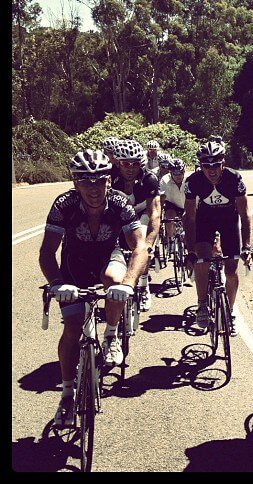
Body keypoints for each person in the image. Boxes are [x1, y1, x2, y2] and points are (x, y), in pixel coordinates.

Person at [39, 150, 148, 427]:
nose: (94, 188)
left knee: (114, 280)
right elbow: (47, 253)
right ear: (75, 183)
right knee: (72, 327)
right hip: (73, 266)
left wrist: (130, 284)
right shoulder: (64, 204)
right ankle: (66, 395)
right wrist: (56, 284)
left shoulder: (120, 203)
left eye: (99, 181)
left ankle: (111, 335)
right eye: (86, 181)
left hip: (107, 258)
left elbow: (139, 247)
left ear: (109, 181)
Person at [183, 140, 252, 335]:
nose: (211, 170)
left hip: (228, 220)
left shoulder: (234, 179)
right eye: (206, 165)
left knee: (231, 268)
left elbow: (245, 215)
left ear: (223, 163)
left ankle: (229, 312)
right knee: (202, 259)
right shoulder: (193, 182)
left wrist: (246, 246)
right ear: (200, 166)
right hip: (204, 220)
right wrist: (190, 251)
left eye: (216, 165)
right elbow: (189, 218)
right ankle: (202, 304)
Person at [111, 139, 161, 311]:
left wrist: (149, 242)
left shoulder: (149, 179)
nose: (131, 168)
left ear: (141, 163)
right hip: (117, 214)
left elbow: (154, 213)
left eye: (135, 163)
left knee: (142, 243)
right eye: (126, 163)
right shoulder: (110, 178)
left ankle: (144, 285)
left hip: (140, 214)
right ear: (118, 163)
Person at [159, 158, 188, 251]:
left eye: (181, 173)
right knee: (169, 217)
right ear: (170, 173)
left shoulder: (189, 179)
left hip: (186, 203)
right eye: (175, 173)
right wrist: (159, 215)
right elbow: (162, 198)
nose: (179, 176)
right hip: (172, 203)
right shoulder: (164, 180)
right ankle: (171, 239)